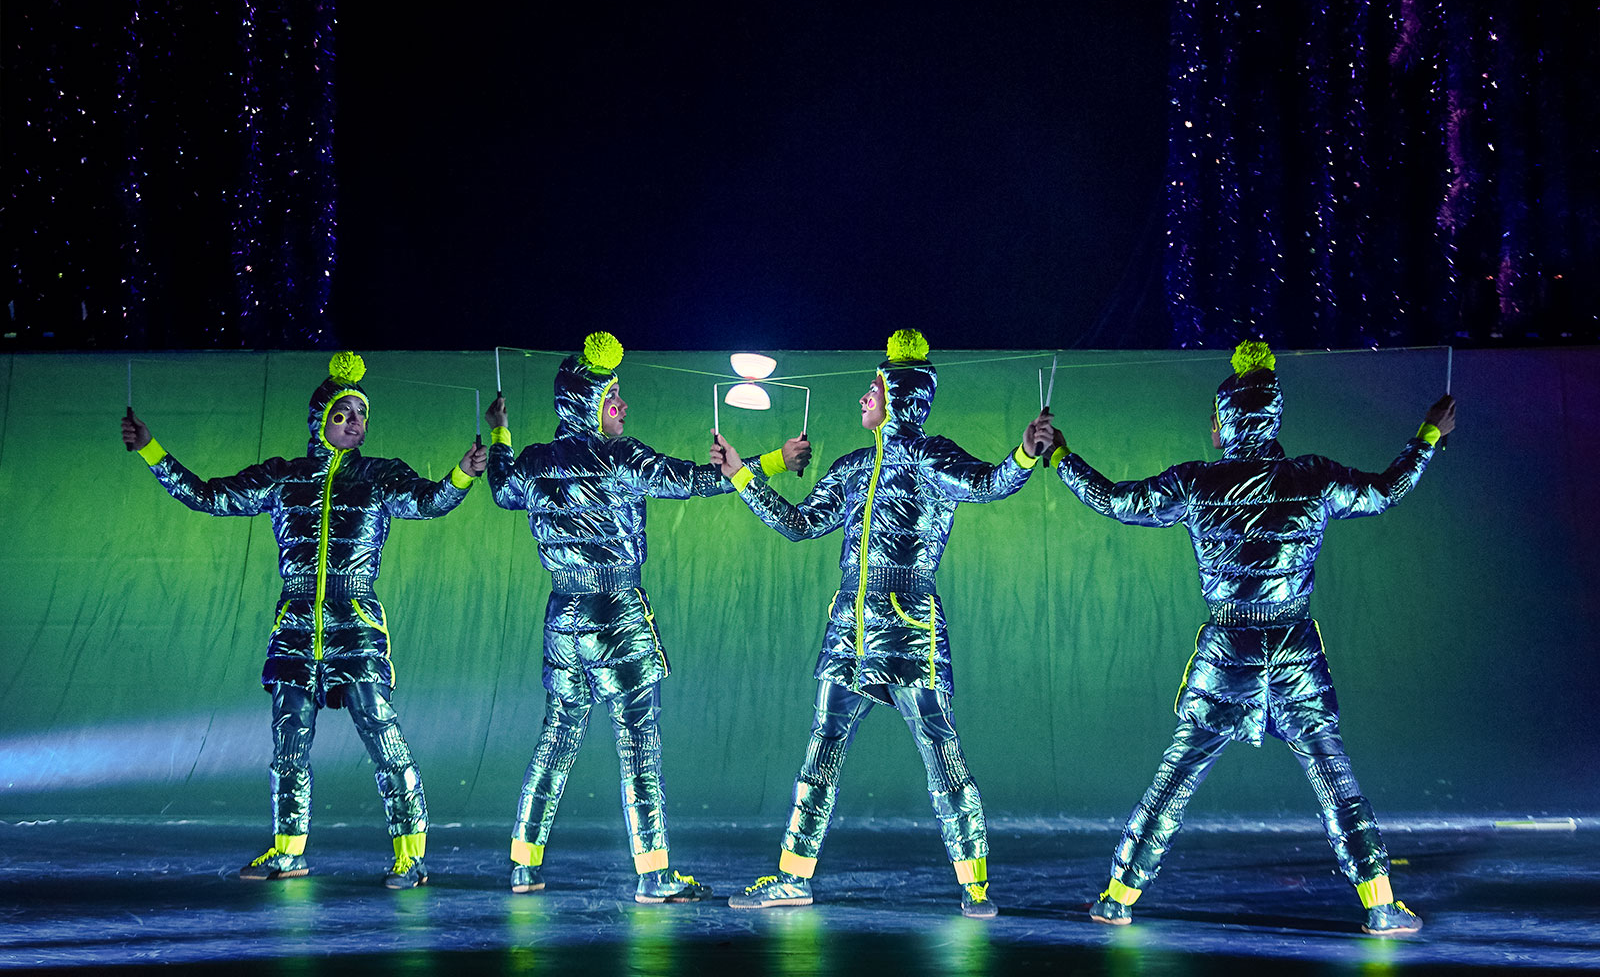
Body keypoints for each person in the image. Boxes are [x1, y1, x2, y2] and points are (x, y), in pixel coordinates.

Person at [1051, 340, 1456, 935]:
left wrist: (1060, 457)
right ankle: (1379, 903)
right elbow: (1385, 490)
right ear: (1271, 419)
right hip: (1294, 651)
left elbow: (1117, 500)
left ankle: (1117, 896)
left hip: (1228, 651)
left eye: (1214, 419)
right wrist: (1426, 437)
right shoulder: (1313, 476)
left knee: (1178, 775)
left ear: (1224, 424)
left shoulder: (1196, 483)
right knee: (1334, 779)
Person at [710, 328, 1055, 919]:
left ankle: (975, 884)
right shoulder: (849, 466)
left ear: (899, 395)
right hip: (849, 629)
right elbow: (799, 524)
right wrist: (744, 473)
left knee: (941, 751)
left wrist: (1024, 453)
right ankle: (793, 876)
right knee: (823, 747)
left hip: (911, 628)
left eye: (873, 389)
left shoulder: (934, 457)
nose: (863, 399)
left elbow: (991, 485)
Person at [121, 352, 486, 888]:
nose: (355, 424)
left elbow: (429, 502)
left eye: (361, 415)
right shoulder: (282, 478)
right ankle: (287, 850)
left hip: (354, 621)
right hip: (295, 627)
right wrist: (151, 449)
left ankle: (411, 852)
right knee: (289, 743)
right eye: (343, 414)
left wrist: (463, 472)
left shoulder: (381, 477)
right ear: (321, 421)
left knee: (383, 735)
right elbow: (206, 495)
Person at [486, 331, 808, 903]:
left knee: (556, 736)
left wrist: (502, 435)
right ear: (589, 405)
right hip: (616, 613)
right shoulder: (621, 456)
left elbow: (503, 490)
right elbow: (693, 480)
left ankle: (523, 863)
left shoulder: (534, 461)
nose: (623, 406)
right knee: (638, 742)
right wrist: (774, 462)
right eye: (614, 397)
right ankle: (653, 872)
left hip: (561, 617)